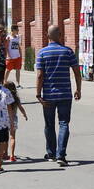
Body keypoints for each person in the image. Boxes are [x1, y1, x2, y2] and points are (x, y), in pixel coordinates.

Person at [35, 25, 81, 166]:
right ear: (60, 35)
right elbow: (76, 72)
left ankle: (51, 153)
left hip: (48, 95)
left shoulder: (42, 53)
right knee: (63, 123)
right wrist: (78, 89)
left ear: (46, 36)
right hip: (65, 94)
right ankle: (61, 155)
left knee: (49, 124)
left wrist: (38, 94)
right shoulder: (68, 52)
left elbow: (40, 75)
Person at [5, 80, 28, 162]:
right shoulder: (16, 98)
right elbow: (21, 107)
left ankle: (4, 154)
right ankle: (12, 155)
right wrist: (24, 114)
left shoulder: (4, 97)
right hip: (13, 119)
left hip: (4, 119)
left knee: (5, 137)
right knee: (12, 137)